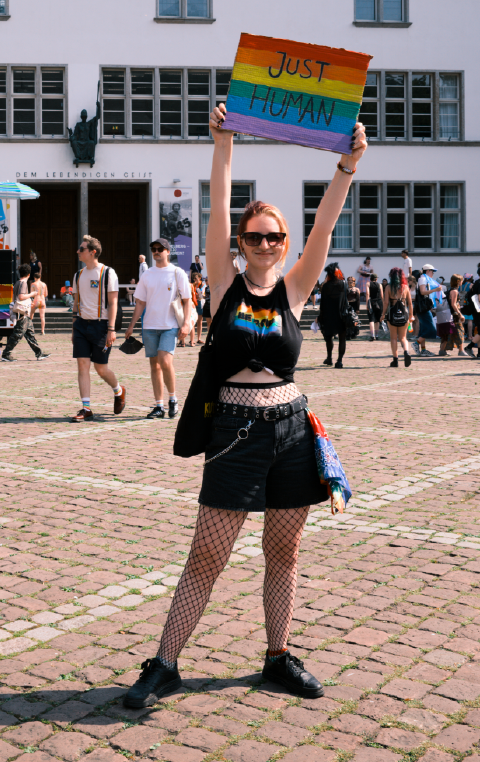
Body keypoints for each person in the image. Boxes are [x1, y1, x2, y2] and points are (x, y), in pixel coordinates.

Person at [123, 105, 367, 710]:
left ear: (284, 243)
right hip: (234, 430)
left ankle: (277, 656)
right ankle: (166, 663)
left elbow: (324, 229)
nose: (264, 243)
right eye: (254, 235)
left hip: (291, 430)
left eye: (274, 236)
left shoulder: (297, 285)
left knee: (283, 551)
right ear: (241, 242)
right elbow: (218, 202)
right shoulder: (224, 279)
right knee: (207, 553)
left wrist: (347, 166)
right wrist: (222, 142)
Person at [124, 237, 191, 419]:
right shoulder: (147, 274)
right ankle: (159, 406)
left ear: (168, 251)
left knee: (165, 361)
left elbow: (187, 300)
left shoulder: (178, 273)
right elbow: (140, 303)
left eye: (160, 248)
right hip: (150, 326)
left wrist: (186, 323)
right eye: (153, 248)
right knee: (154, 365)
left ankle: (173, 398)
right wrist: (131, 325)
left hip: (170, 325)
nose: (156, 251)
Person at [70, 234, 125, 422]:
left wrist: (111, 329)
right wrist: (73, 327)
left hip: (101, 326)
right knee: (82, 364)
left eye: (81, 249)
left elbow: (113, 302)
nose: (78, 251)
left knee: (101, 369)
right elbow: (76, 303)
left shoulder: (108, 273)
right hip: (81, 325)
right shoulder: (78, 274)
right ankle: (86, 408)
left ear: (93, 252)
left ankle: (118, 390)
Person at [2, 264, 49, 362]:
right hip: (22, 313)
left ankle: (39, 353)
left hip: (23, 313)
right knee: (17, 335)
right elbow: (21, 297)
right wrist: (32, 294)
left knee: (30, 334)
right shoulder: (23, 283)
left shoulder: (17, 282)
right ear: (29, 274)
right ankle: (6, 354)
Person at [381, 267, 413, 367]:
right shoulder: (406, 287)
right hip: (404, 314)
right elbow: (410, 303)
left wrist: (383, 314)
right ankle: (406, 351)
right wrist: (411, 316)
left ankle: (395, 360)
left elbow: (386, 303)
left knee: (393, 338)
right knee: (403, 337)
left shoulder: (388, 287)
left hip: (392, 315)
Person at [318, 263, 348, 368]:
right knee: (342, 339)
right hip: (341, 315)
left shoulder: (326, 286)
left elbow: (322, 304)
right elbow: (346, 298)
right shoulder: (343, 284)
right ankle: (339, 361)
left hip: (329, 315)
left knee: (328, 337)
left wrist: (320, 317)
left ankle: (329, 358)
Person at [413, 263, 442, 356]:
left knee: (423, 329)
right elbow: (422, 292)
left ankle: (423, 350)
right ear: (428, 271)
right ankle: (416, 343)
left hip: (423, 307)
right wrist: (435, 290)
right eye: (432, 271)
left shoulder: (425, 279)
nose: (433, 273)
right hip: (422, 307)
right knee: (431, 329)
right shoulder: (423, 279)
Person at [435, 274, 466, 357]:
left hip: (448, 315)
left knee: (447, 333)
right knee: (460, 331)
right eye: (461, 280)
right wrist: (460, 314)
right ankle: (461, 350)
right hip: (454, 315)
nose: (462, 282)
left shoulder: (450, 290)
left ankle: (442, 350)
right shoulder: (455, 291)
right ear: (458, 281)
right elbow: (453, 304)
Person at [31, 270, 49, 335]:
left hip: (36, 300)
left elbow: (32, 294)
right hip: (42, 301)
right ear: (40, 277)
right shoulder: (44, 284)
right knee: (42, 316)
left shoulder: (33, 284)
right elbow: (46, 294)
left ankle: (30, 329)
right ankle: (42, 331)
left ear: (34, 277)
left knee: (31, 314)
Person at [367, 273, 383, 341]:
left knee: (371, 319)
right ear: (376, 279)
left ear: (370, 278)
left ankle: (372, 335)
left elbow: (367, 294)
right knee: (377, 320)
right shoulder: (380, 285)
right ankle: (376, 335)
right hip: (379, 302)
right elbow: (382, 295)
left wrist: (367, 304)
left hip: (371, 301)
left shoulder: (368, 284)